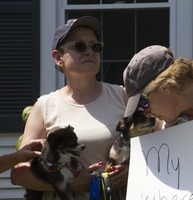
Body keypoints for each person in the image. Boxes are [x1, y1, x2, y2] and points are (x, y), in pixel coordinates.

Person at [11, 16, 128, 199]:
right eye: (79, 46)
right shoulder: (45, 106)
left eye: (95, 46)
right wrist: (71, 182)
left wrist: (130, 170)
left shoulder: (122, 96)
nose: (90, 51)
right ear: (58, 57)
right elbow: (19, 173)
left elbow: (154, 148)